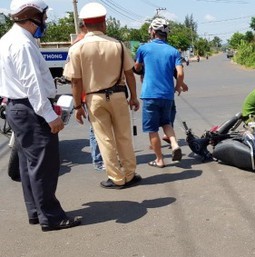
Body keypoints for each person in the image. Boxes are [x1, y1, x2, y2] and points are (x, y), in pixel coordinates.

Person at [0, 0, 81, 231]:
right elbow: (32, 85)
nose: (45, 21)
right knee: (44, 166)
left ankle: (36, 211)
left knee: (29, 165)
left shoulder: (9, 39)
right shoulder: (22, 44)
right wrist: (50, 116)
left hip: (18, 107)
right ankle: (52, 217)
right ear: (32, 16)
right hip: (31, 108)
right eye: (43, 17)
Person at [63, 2, 141, 189]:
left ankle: (116, 178)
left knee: (104, 139)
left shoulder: (77, 48)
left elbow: (75, 81)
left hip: (94, 99)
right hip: (119, 96)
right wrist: (133, 97)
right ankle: (129, 174)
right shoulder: (118, 45)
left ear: (84, 25)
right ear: (104, 24)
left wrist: (77, 106)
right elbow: (129, 73)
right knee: (124, 136)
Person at [133, 17, 185, 168]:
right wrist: (178, 86)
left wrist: (142, 69)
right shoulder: (173, 51)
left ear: (153, 32)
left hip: (150, 94)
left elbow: (137, 67)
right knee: (166, 122)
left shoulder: (143, 48)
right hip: (167, 95)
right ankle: (174, 143)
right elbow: (180, 74)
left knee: (152, 130)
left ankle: (159, 160)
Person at [73, 20, 105, 171]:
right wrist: (77, 103)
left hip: (91, 93)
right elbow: (74, 79)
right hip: (89, 93)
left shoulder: (82, 44)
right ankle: (98, 160)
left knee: (99, 128)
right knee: (95, 129)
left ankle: (102, 158)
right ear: (85, 27)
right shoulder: (79, 45)